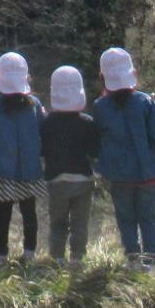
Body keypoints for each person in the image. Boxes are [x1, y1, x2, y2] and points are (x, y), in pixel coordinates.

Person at [93, 46, 155, 270]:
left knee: (125, 217)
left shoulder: (101, 107)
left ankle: (133, 256)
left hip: (118, 175)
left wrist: (101, 167)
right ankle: (151, 259)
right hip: (147, 172)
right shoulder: (146, 102)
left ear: (103, 78)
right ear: (132, 74)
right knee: (148, 217)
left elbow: (98, 139)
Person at [0, 51, 46, 264]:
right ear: (26, 78)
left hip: (1, 168)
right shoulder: (34, 104)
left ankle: (2, 256)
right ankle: (29, 254)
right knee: (29, 213)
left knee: (2, 215)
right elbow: (42, 130)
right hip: (29, 168)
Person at [41, 65, 99, 266]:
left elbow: (42, 150)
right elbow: (94, 151)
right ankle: (77, 258)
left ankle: (57, 258)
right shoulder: (88, 122)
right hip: (83, 179)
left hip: (56, 180)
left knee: (58, 222)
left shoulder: (47, 122)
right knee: (79, 223)